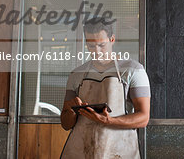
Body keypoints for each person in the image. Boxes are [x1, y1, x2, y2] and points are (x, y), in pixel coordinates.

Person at [60, 16, 150, 158]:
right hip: (81, 151)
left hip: (119, 152)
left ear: (112, 39)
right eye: (91, 45)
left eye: (101, 45)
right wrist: (71, 110)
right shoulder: (76, 75)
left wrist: (108, 121)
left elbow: (143, 118)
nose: (96, 50)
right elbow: (65, 124)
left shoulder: (133, 70)